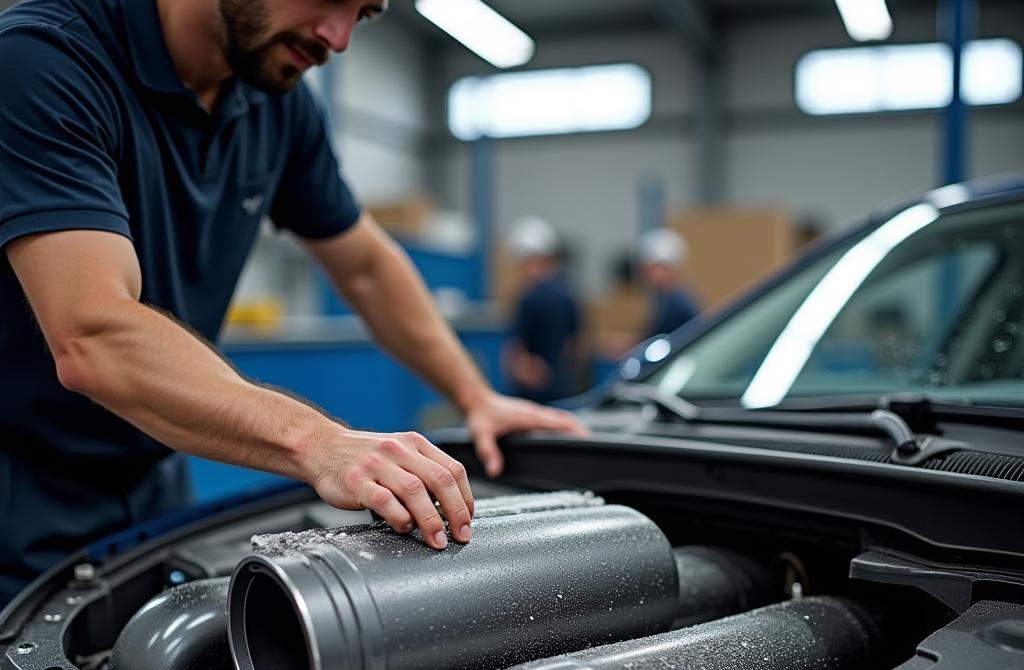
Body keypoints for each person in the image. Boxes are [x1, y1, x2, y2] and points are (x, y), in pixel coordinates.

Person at [0, 0, 586, 606]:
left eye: (364, 15)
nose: (338, 38)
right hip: (19, 485)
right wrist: (319, 442)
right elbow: (93, 335)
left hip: (153, 471)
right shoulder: (43, 61)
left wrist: (476, 396)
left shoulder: (274, 97)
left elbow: (363, 266)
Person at [503, 217, 581, 405]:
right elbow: (574, 346)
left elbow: (518, 354)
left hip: (532, 393)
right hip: (562, 387)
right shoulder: (569, 292)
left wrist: (523, 371)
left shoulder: (529, 297)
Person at [636, 228, 701, 340]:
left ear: (667, 268)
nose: (646, 275)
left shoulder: (677, 303)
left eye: (651, 269)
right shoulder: (666, 298)